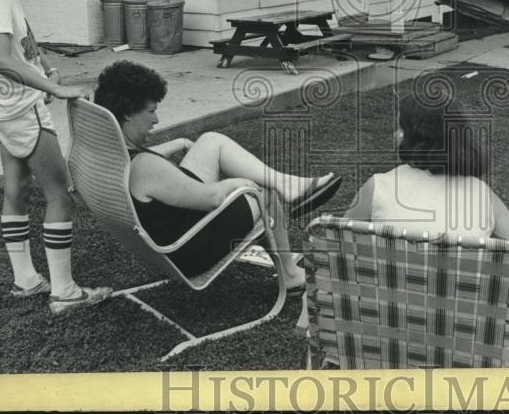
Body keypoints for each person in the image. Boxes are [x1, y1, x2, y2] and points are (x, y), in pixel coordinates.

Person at [299, 91, 509, 366]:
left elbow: (332, 258)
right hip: (463, 352)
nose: (394, 134)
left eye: (398, 127)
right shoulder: (482, 195)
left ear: (409, 136)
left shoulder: (377, 188)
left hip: (377, 344)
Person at [92, 61, 341, 289]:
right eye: (150, 111)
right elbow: (211, 199)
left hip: (172, 227)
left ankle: (292, 186)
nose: (156, 119)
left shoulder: (111, 155)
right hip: (189, 247)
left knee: (212, 141)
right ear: (127, 113)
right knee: (264, 191)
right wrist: (237, 183)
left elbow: (144, 163)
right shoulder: (145, 167)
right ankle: (290, 275)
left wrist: (177, 142)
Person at [0, 0, 111, 315]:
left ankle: (27, 280)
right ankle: (64, 292)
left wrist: (48, 67)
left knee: (16, 190)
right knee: (60, 196)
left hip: (4, 111)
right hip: (25, 110)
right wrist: (56, 90)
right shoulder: (2, 5)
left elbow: (23, 49)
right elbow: (3, 58)